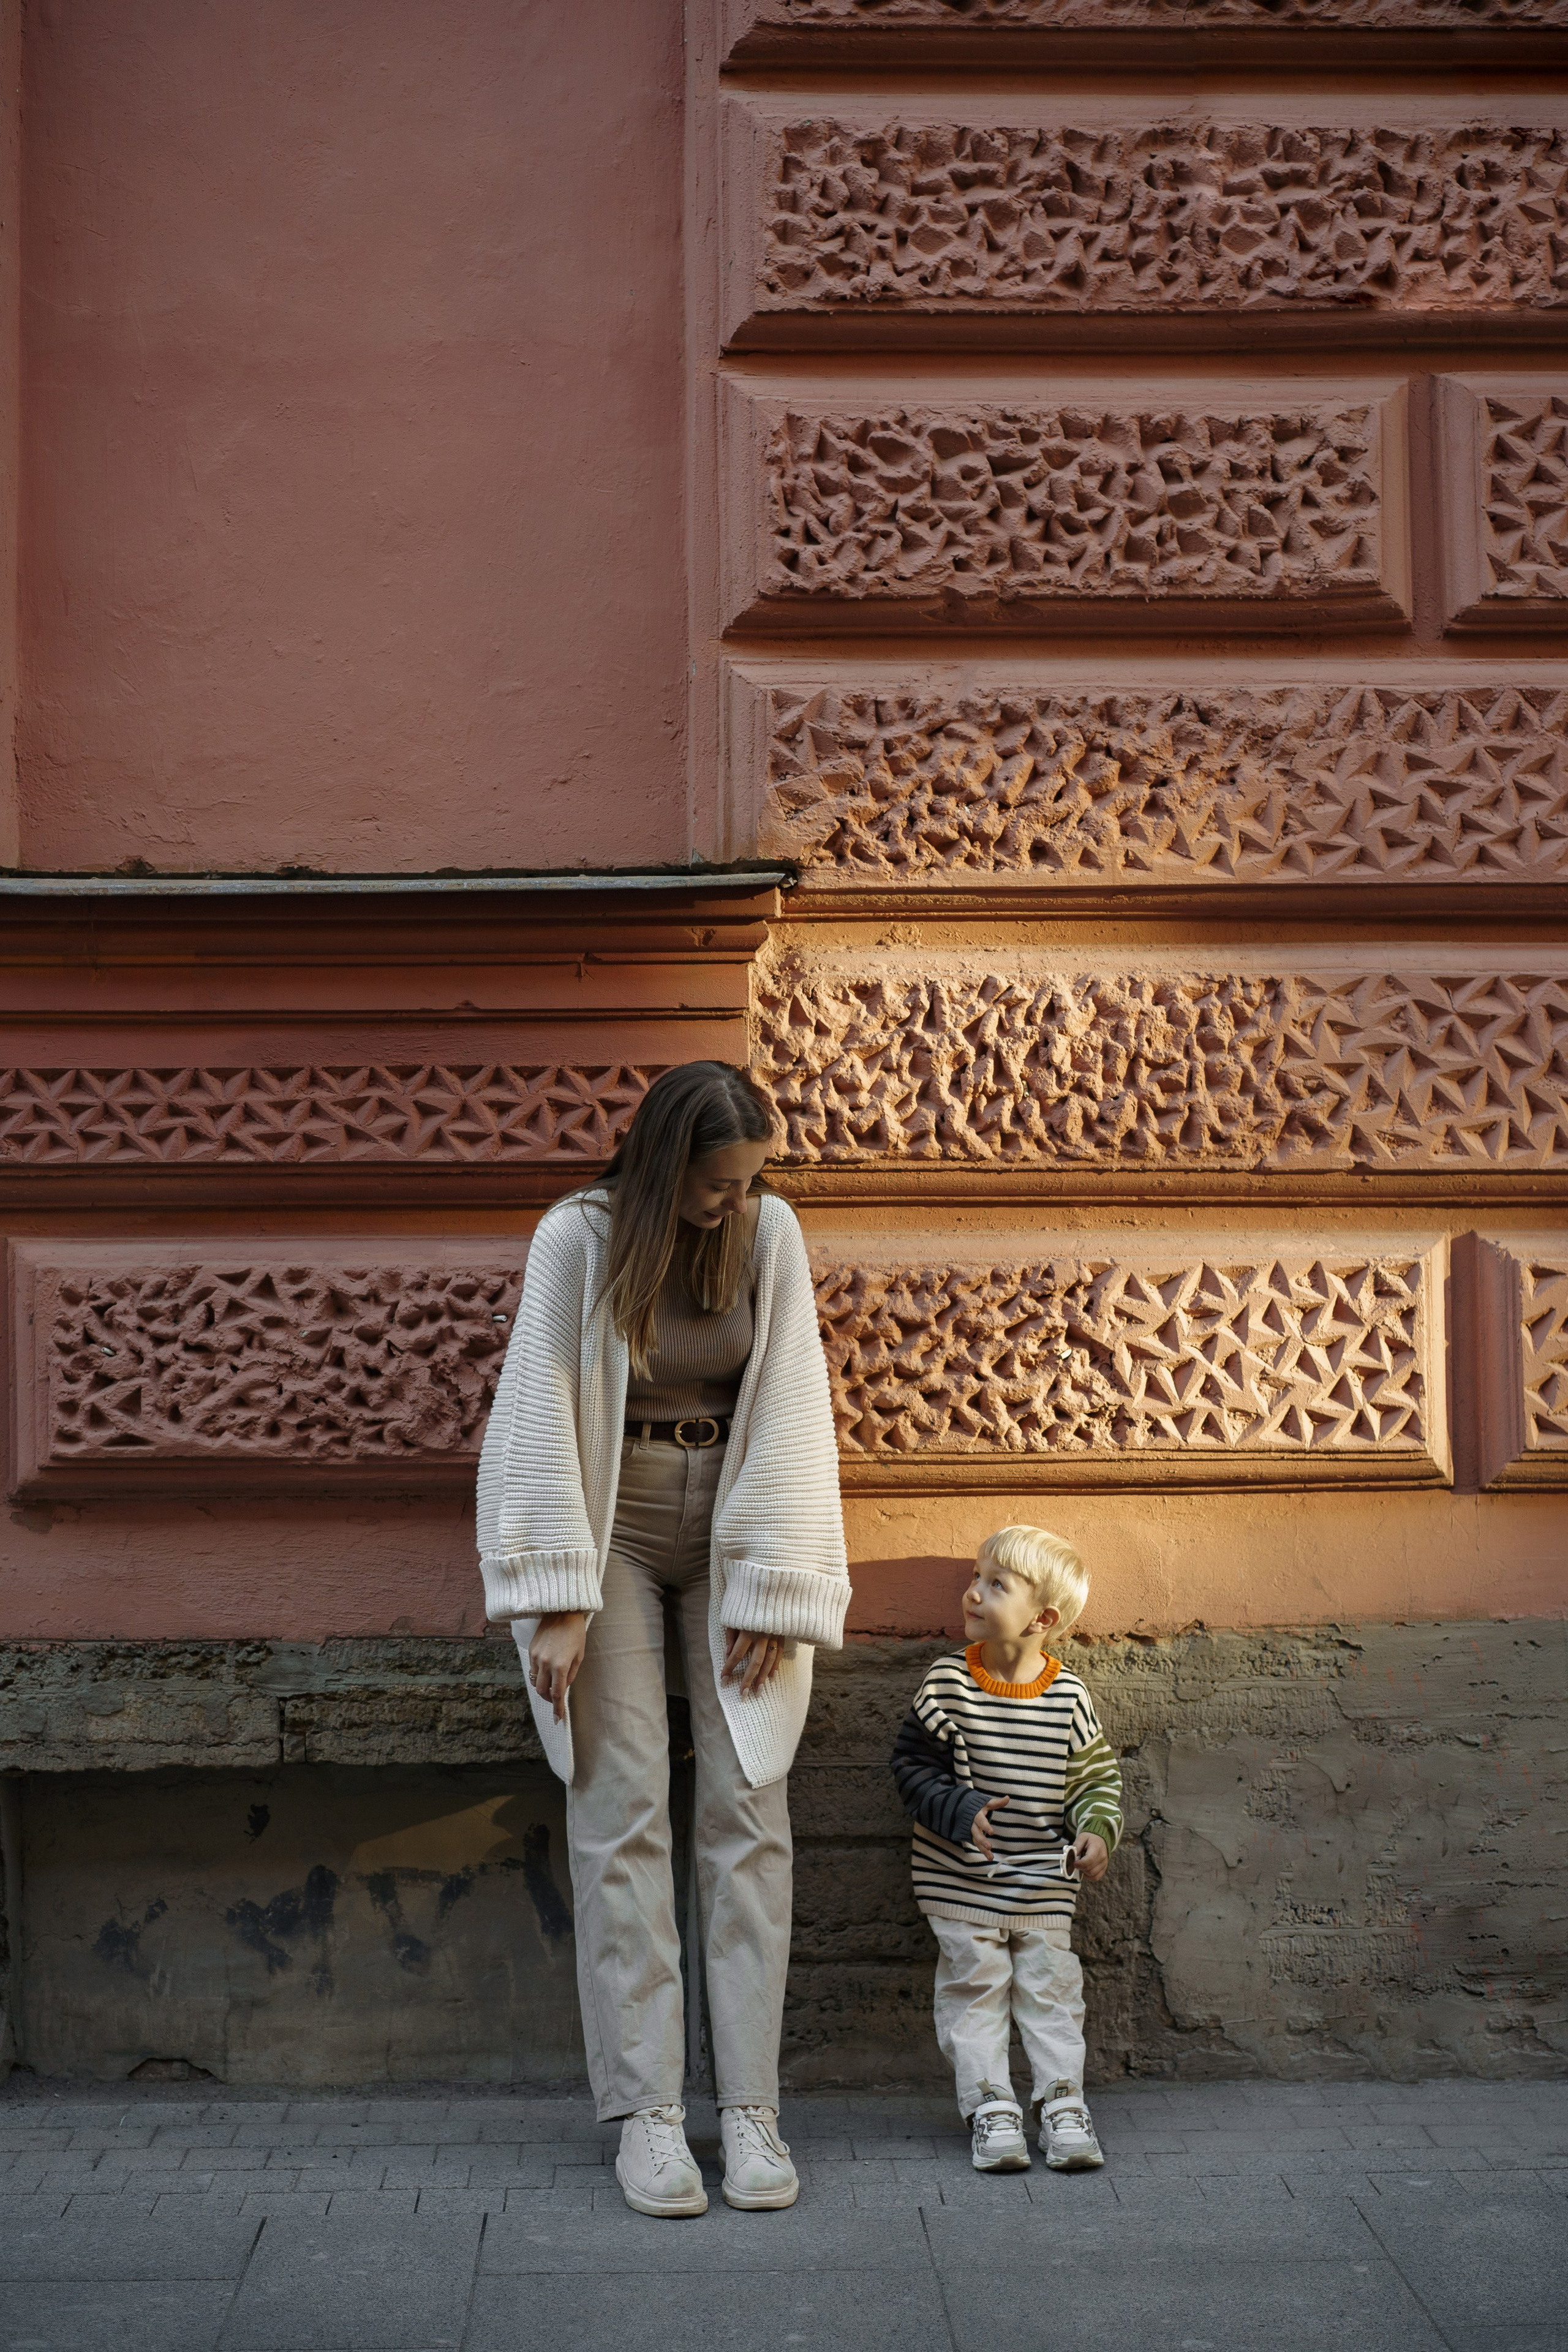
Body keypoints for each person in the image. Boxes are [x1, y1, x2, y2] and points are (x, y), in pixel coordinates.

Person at [475, 1061, 848, 2218]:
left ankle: (748, 2110)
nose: (733, 1201)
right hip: (612, 1530)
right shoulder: (577, 1238)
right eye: (715, 1184)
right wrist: (561, 1591)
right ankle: (647, 2114)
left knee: (749, 1801)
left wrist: (778, 1589)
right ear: (662, 1163)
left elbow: (794, 1397)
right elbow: (535, 1403)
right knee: (621, 1805)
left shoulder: (769, 1231)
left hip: (733, 1520)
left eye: (747, 1182)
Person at [890, 1526, 1122, 2174]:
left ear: (1042, 1618)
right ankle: (991, 2107)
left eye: (996, 1585)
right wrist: (958, 1810)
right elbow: (911, 1767)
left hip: (1045, 1881)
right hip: (960, 1879)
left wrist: (1097, 1833)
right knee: (974, 1989)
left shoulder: (1067, 1697)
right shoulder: (947, 1685)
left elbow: (1096, 1778)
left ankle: (1062, 2104)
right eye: (975, 1576)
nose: (972, 1592)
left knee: (1051, 1993)